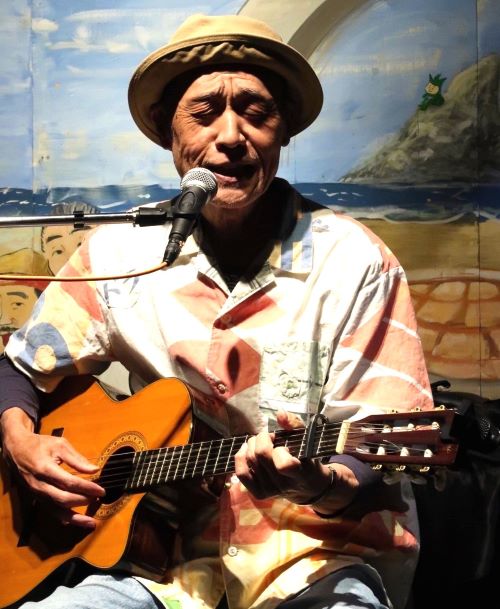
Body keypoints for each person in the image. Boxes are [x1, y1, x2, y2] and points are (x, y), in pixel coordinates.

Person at [0, 13, 434, 609]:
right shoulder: (119, 255)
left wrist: (318, 481)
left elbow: (378, 449)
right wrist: (19, 440)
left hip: (316, 559)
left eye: (256, 113)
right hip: (160, 564)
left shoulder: (356, 263)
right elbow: (21, 367)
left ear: (283, 132)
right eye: (204, 113)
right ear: (168, 132)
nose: (231, 135)